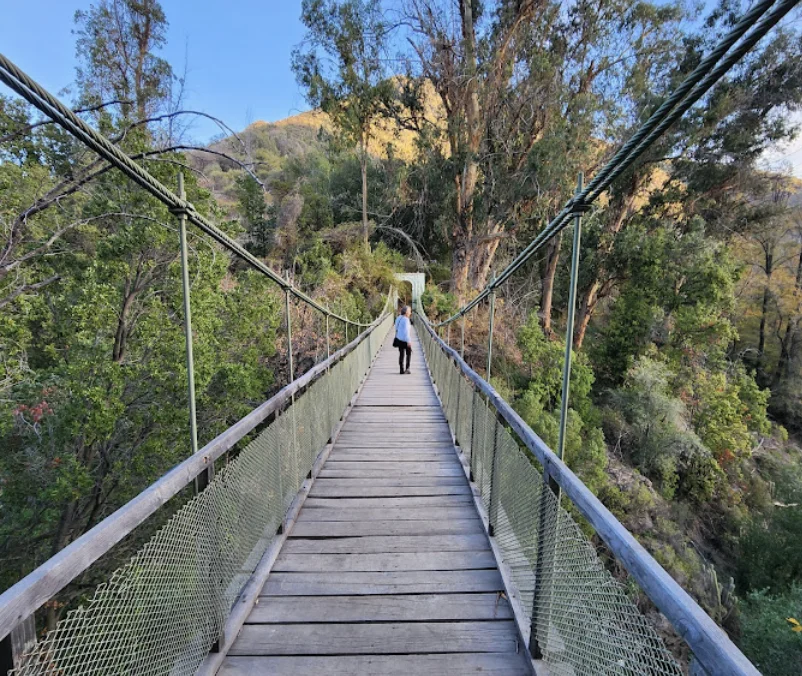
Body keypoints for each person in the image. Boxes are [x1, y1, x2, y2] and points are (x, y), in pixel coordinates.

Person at [394, 305, 412, 375]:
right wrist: (409, 341)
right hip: (405, 340)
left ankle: (401, 369)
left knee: (401, 354)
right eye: (409, 311)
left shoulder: (398, 318)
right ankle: (407, 369)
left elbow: (396, 328)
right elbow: (406, 332)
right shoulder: (406, 320)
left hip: (399, 339)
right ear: (406, 312)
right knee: (408, 354)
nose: (410, 313)